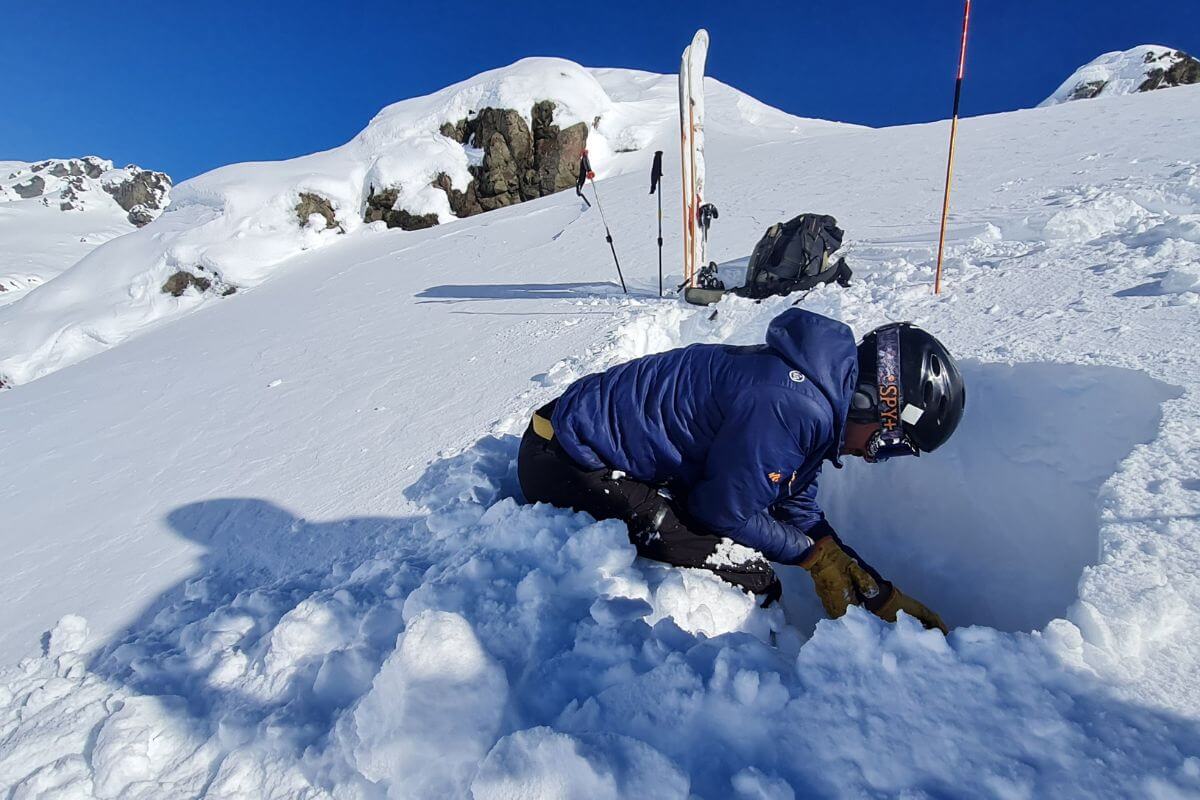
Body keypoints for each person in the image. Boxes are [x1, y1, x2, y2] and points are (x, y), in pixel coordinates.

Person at [518, 308, 965, 633]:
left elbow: (796, 505)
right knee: (752, 578)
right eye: (887, 444)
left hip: (574, 434)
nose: (873, 457)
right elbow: (721, 511)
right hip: (565, 460)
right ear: (871, 399)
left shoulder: (816, 395)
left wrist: (875, 589)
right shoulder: (792, 407)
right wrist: (811, 557)